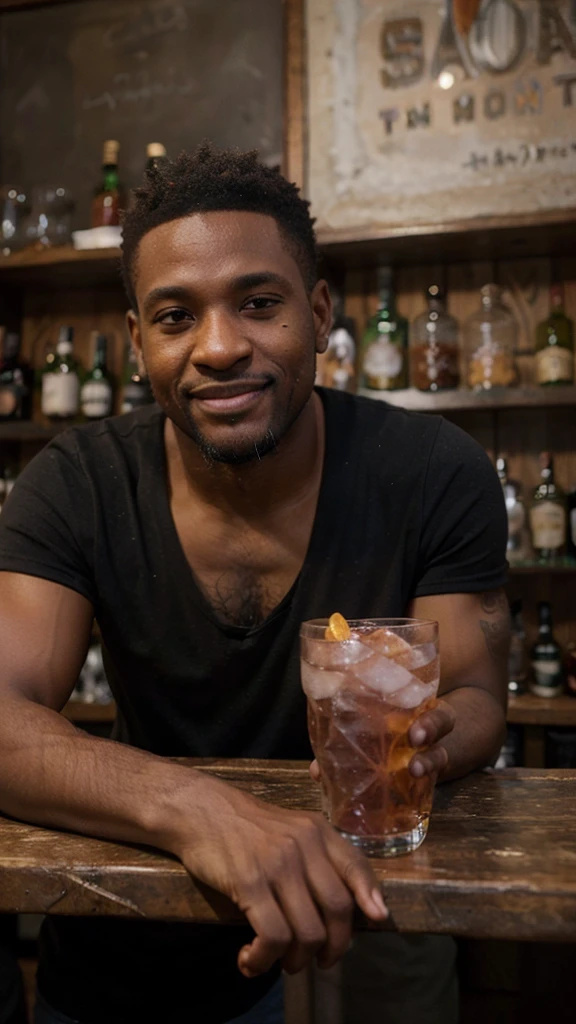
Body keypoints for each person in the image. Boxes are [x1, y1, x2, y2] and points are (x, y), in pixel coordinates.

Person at [0, 144, 509, 1024]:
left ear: (317, 312)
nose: (221, 347)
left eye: (259, 303)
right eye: (174, 316)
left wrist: (427, 737)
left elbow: (474, 693)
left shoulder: (434, 471)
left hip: (382, 889)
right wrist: (202, 812)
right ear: (137, 342)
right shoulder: (78, 479)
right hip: (150, 919)